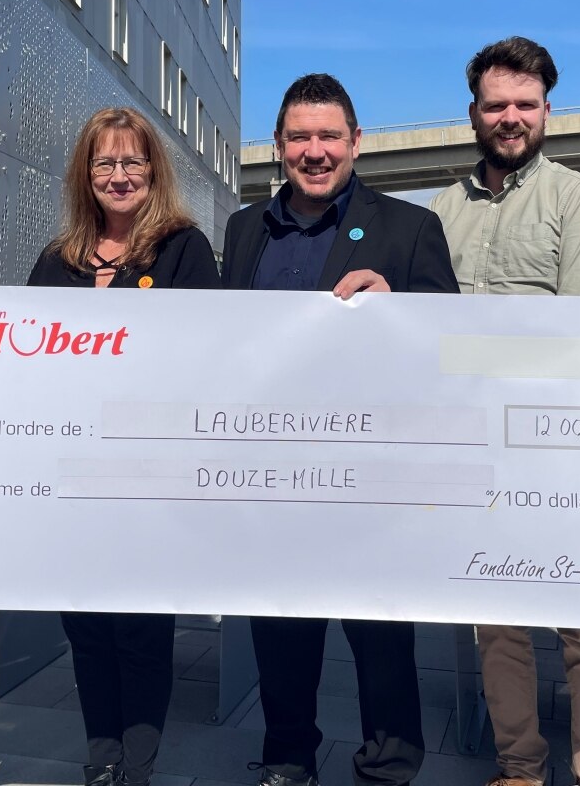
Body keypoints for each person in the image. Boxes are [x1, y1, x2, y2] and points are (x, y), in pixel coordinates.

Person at [221, 73, 458, 786]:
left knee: (380, 634)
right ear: (278, 147)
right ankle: (289, 755)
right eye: (300, 137)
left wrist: (400, 309)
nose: (315, 151)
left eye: (329, 136)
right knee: (280, 626)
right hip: (272, 471)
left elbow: (449, 342)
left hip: (370, 474)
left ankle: (388, 765)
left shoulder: (408, 227)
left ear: (356, 143)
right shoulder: (242, 229)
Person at [430, 37, 580, 786]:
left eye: (525, 105)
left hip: (557, 438)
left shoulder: (577, 196)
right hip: (472, 446)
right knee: (497, 616)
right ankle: (520, 765)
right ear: (473, 112)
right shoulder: (443, 209)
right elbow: (424, 323)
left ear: (547, 110)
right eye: (496, 105)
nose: (510, 118)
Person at [27, 105, 219, 786]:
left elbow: (205, 358)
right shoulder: (56, 261)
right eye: (103, 162)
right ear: (86, 173)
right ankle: (100, 755)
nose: (118, 174)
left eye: (131, 161)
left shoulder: (183, 249)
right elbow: (26, 364)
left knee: (140, 627)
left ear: (152, 170)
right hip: (73, 479)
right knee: (85, 624)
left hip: (149, 477)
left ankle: (137, 763)